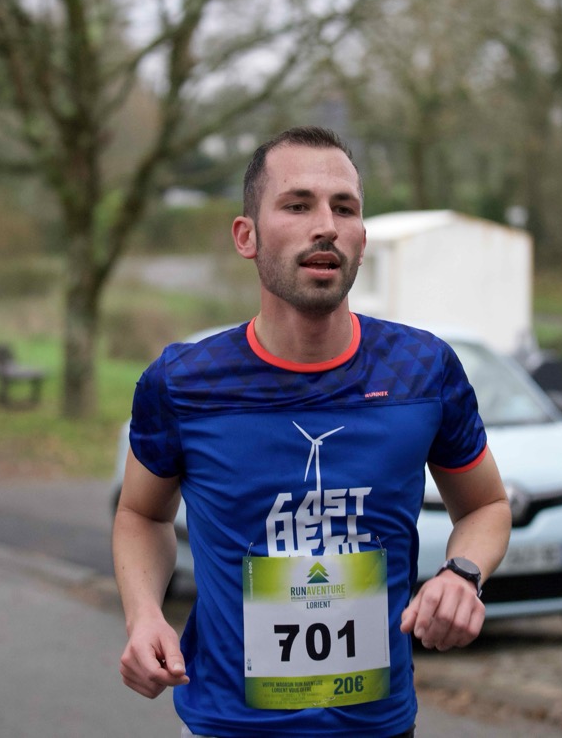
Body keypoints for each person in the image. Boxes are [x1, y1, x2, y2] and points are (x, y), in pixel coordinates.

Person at [113, 126, 512, 737]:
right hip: (229, 725)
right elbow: (142, 514)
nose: (325, 225)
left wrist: (462, 573)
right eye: (297, 205)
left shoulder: (422, 370)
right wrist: (144, 615)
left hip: (379, 726)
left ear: (362, 239)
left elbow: (486, 506)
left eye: (344, 208)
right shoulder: (183, 383)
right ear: (246, 236)